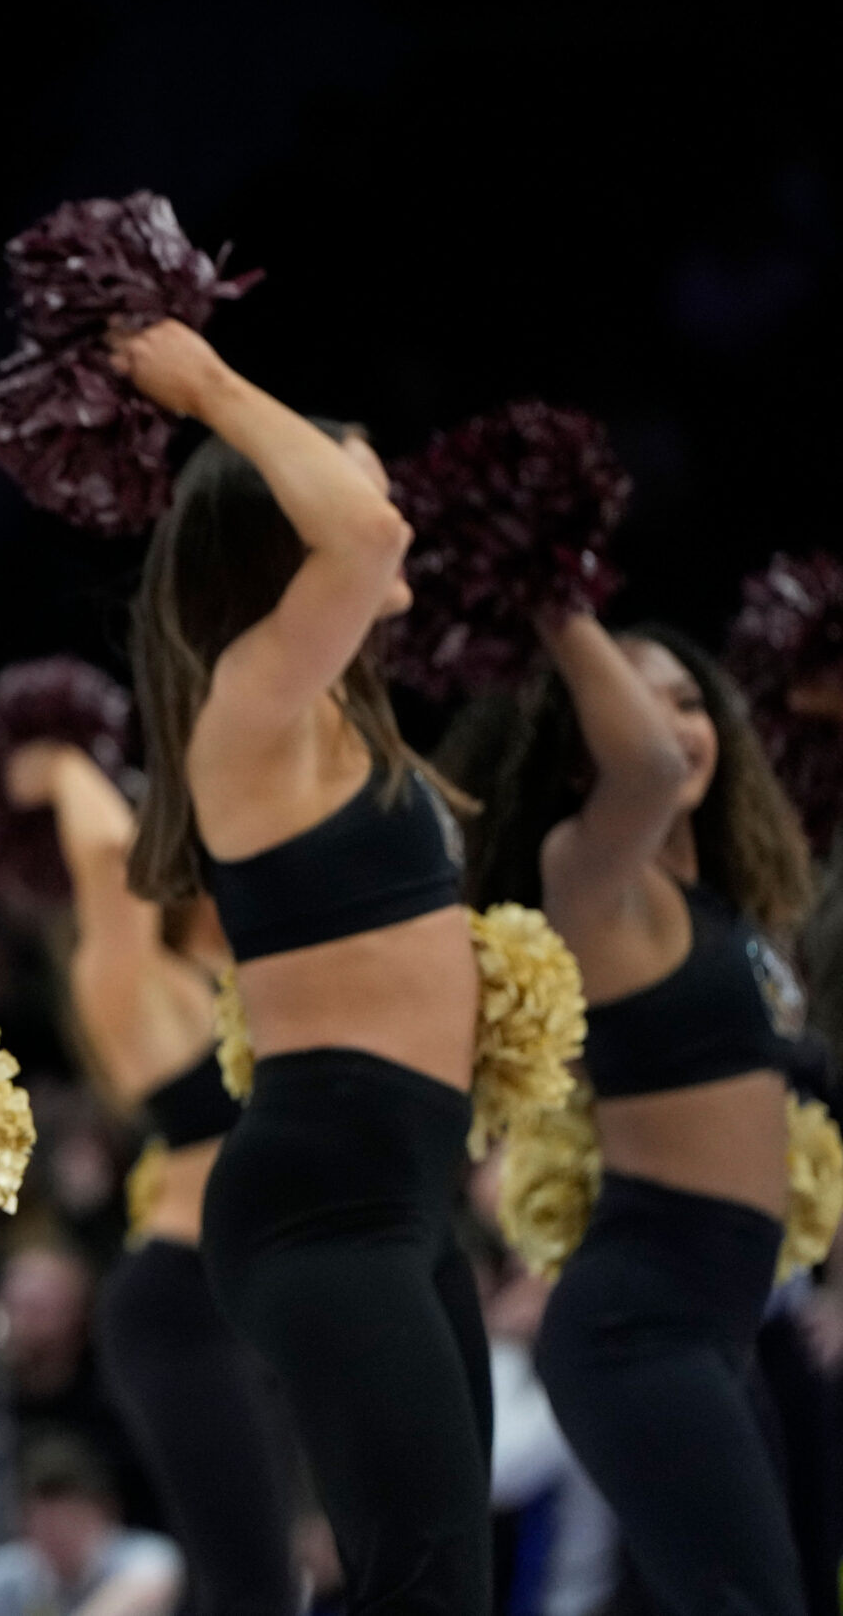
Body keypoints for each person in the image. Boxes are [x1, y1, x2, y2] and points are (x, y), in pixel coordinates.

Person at [120, 319, 491, 1610]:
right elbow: (370, 538)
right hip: (325, 1201)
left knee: (448, 1574)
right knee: (422, 1576)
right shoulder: (251, 703)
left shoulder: (339, 712)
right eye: (355, 475)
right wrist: (210, 386)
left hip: (407, 1194)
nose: (386, 506)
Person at [469, 614, 818, 1614]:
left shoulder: (721, 903)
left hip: (717, 1325)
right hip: (639, 1324)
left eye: (688, 698)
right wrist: (549, 597)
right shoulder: (587, 876)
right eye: (635, 700)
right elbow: (653, 768)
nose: (673, 726)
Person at [3, 746, 293, 1614]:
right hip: (180, 1307)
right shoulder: (120, 976)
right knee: (251, 1587)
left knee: (261, 1578)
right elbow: (101, 855)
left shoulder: (216, 973)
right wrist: (60, 762)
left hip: (250, 1298)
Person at [0, 1435, 181, 1616]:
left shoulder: (143, 1555)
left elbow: (151, 1584)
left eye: (71, 1520)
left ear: (105, 1512)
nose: (59, 1534)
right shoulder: (1, 1577)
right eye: (46, 1524)